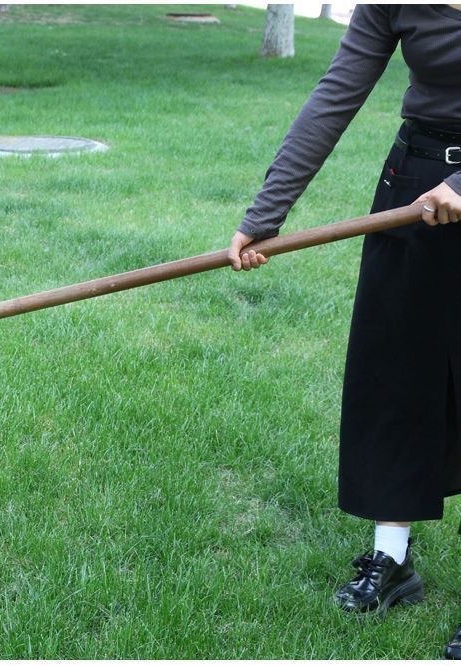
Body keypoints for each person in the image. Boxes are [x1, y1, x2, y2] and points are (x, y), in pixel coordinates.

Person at [227, 5, 461, 660]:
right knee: (396, 374)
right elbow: (337, 92)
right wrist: (266, 212)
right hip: (414, 189)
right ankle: (393, 560)